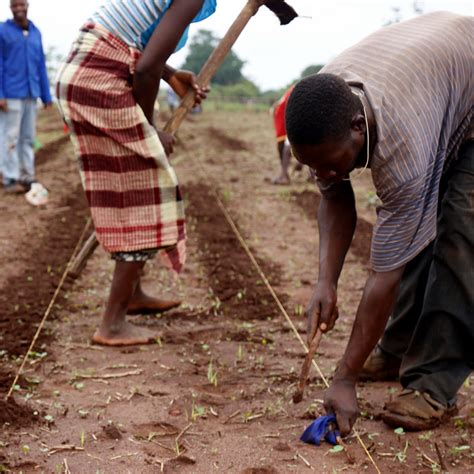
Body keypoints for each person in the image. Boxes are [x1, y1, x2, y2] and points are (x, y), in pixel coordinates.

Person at [285, 12, 473, 434]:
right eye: (312, 166)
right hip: (440, 75)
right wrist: (324, 282)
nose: (325, 174)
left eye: (330, 164)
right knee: (418, 234)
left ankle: (432, 384)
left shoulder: (402, 147)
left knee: (460, 235)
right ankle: (396, 348)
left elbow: (384, 275)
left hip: (465, 91)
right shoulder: (326, 103)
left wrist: (344, 378)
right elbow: (335, 198)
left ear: (358, 127)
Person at [56, 0, 217, 346]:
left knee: (132, 185)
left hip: (89, 70)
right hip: (97, 77)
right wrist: (149, 130)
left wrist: (172, 75)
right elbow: (143, 69)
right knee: (145, 189)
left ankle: (132, 295)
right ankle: (112, 324)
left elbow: (137, 45)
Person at [0, 0, 52, 194]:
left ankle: (27, 175)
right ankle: (10, 177)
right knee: (10, 136)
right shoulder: (3, 31)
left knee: (28, 137)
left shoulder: (36, 32)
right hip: (11, 93)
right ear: (10, 7)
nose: (19, 9)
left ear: (27, 5)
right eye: (15, 5)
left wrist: (46, 95)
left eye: (21, 4)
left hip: (31, 92)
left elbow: (40, 65)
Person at [270, 86, 300, 185]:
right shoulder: (291, 92)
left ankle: (284, 176)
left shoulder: (293, 92)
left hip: (296, 120)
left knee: (287, 149)